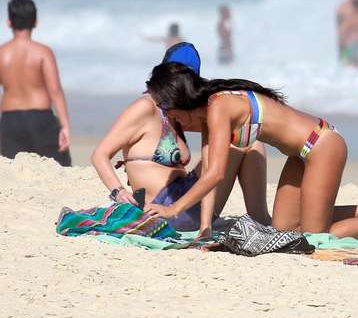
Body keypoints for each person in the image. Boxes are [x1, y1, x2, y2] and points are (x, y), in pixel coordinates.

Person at [143, 62, 358, 239]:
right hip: (299, 155)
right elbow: (210, 169)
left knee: (314, 237)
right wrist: (205, 226)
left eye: (169, 111)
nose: (170, 118)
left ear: (179, 100)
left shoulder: (219, 107)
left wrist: (173, 209)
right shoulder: (209, 114)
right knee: (283, 229)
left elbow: (216, 174)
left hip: (322, 144)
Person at [91, 43, 268, 231]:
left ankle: (260, 221)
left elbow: (212, 155)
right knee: (245, 144)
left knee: (248, 140)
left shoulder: (179, 112)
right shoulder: (146, 108)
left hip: (188, 197)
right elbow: (100, 154)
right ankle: (261, 221)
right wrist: (119, 192)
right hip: (162, 207)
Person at [0, 0, 71, 166]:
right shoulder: (43, 52)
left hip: (10, 121)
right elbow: (55, 90)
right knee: (58, 169)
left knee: (14, 171)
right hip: (41, 120)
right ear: (36, 22)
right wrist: (65, 126)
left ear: (9, 22)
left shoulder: (1, 53)